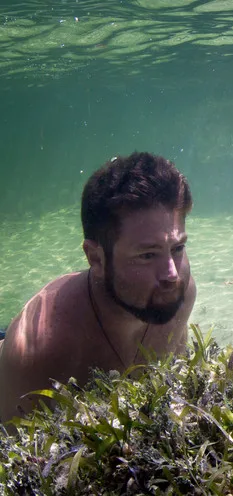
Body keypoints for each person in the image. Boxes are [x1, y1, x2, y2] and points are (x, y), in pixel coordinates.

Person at [0, 152, 196, 422]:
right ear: (96, 259)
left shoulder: (179, 293)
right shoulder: (41, 349)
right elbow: (14, 449)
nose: (171, 276)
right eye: (147, 255)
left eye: (177, 248)